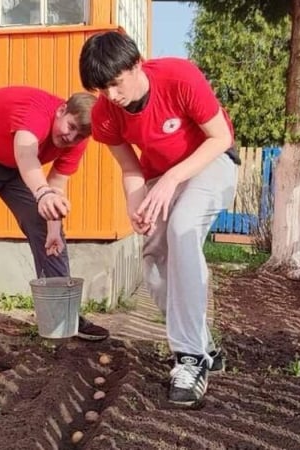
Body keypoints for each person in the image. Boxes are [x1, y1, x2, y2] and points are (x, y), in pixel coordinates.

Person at [78, 31, 239, 407]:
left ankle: (189, 358)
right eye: (102, 89)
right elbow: (129, 166)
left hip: (210, 161)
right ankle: (203, 345)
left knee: (183, 228)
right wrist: (137, 205)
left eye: (116, 84)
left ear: (137, 65)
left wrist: (170, 179)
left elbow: (220, 138)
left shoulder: (179, 77)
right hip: (158, 176)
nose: (111, 96)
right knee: (154, 254)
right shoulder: (106, 113)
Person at [0, 86, 112, 360]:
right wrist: (42, 193)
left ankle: (63, 319)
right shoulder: (35, 112)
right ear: (62, 110)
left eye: (79, 135)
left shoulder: (77, 139)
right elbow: (26, 155)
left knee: (51, 234)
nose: (70, 137)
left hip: (15, 165)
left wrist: (51, 227)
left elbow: (57, 183)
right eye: (70, 126)